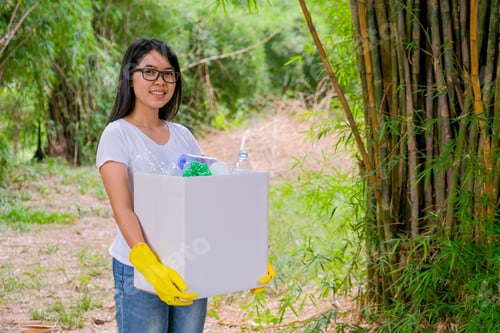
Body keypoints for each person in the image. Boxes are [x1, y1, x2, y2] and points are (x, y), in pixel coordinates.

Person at [96, 38, 275, 333]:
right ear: (130, 76)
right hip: (139, 267)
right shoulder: (117, 135)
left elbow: (209, 199)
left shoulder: (182, 135)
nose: (161, 82)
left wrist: (248, 251)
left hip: (191, 262)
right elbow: (122, 207)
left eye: (169, 74)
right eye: (150, 71)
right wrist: (146, 262)